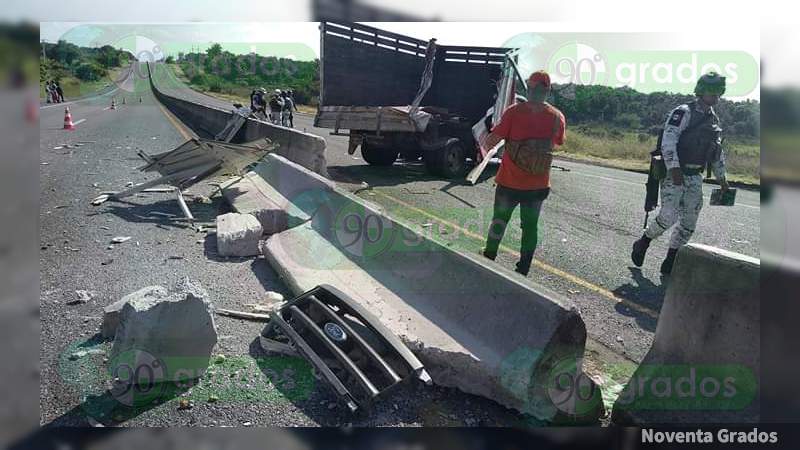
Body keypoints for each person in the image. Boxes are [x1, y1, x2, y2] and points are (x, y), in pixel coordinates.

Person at [631, 72, 730, 274]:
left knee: (689, 222)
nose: (715, 97)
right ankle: (644, 241)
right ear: (701, 91)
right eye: (712, 92)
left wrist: (722, 179)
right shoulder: (683, 112)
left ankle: (671, 259)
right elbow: (669, 141)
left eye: (718, 93)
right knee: (668, 216)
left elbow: (716, 152)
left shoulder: (713, 119)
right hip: (674, 173)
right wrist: (674, 169)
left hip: (695, 176)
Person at [480, 70, 566, 276]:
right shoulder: (557, 117)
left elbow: (492, 140)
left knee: (499, 221)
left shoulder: (514, 112)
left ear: (529, 88)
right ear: (548, 90)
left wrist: (488, 136)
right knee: (530, 227)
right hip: (538, 186)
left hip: (509, 183)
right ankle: (524, 267)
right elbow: (558, 141)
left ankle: (490, 256)